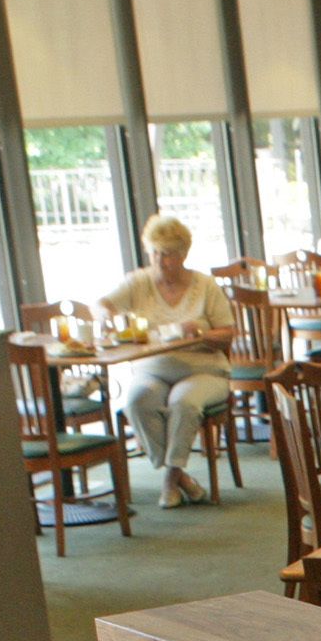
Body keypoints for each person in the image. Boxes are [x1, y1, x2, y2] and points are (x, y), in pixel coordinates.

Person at [98, 214, 236, 508]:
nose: (161, 261)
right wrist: (108, 319)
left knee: (183, 403)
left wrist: (200, 331)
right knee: (136, 401)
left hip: (203, 368)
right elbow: (101, 305)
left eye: (169, 254)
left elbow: (227, 334)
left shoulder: (205, 285)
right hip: (153, 369)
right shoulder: (139, 282)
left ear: (184, 254)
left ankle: (170, 479)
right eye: (155, 253)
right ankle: (181, 476)